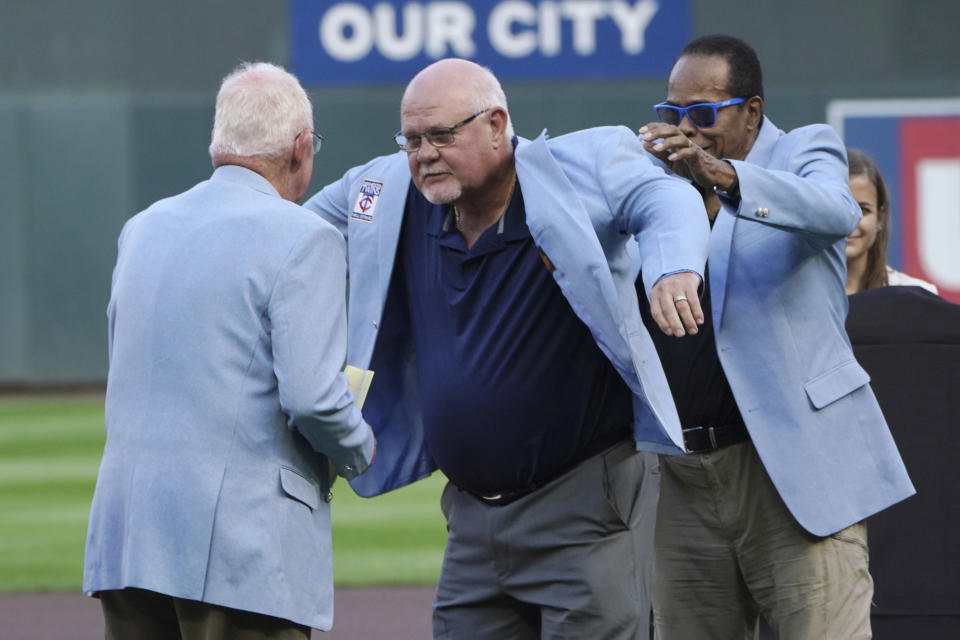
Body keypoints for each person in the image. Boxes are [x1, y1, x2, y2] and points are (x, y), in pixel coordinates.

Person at [304, 58, 710, 639]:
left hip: (584, 509)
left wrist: (673, 268)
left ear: (496, 125)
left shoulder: (580, 167)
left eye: (442, 136)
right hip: (471, 520)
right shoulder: (388, 188)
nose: (423, 154)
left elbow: (664, 199)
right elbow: (293, 237)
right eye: (412, 139)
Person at [82, 62, 376, 639]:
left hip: (126, 540)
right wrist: (360, 449)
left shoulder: (142, 227)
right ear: (298, 149)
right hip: (238, 551)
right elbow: (314, 400)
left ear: (219, 142)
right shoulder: (304, 235)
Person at [637, 35, 914, 639]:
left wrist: (721, 176)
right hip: (682, 474)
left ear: (752, 111)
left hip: (789, 467)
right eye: (672, 114)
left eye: (704, 114)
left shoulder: (803, 150)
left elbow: (837, 211)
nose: (686, 128)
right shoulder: (654, 184)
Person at [845, 147, 939, 294]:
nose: (850, 223)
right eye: (838, 210)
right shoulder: (796, 296)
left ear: (880, 217)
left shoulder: (919, 296)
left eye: (863, 210)